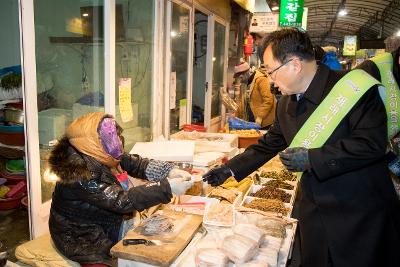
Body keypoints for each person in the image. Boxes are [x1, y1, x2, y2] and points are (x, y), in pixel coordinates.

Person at [203, 28, 400, 267]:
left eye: (271, 72)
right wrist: (229, 170)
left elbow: (371, 144)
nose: (272, 82)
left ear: (295, 65)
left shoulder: (353, 89)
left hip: (360, 216)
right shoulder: (286, 103)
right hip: (315, 215)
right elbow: (270, 143)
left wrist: (312, 159)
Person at [48, 112, 193, 266]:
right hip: (80, 236)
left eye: (115, 136)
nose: (116, 141)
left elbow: (135, 163)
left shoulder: (97, 151)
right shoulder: (78, 172)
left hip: (102, 222)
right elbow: (121, 201)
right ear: (94, 140)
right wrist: (166, 187)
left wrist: (168, 170)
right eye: (111, 137)